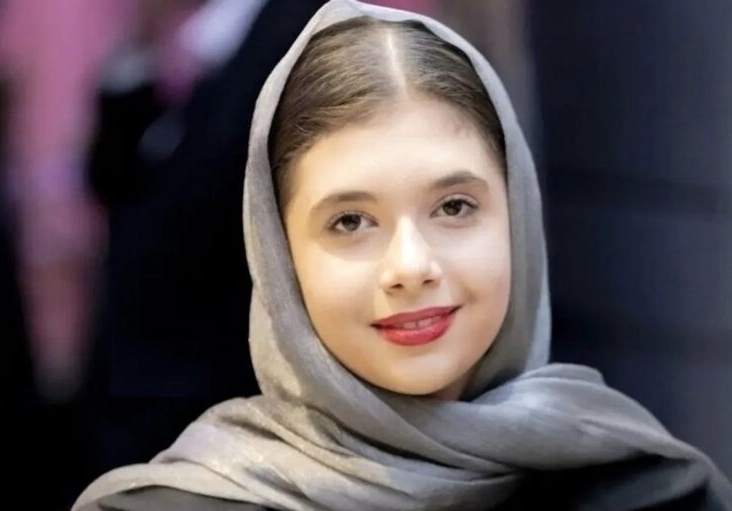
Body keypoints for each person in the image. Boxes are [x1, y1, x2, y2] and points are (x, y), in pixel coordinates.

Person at [73, 1, 732, 509]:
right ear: (279, 256)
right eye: (350, 221)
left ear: (517, 214)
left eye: (454, 207)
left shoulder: (650, 488)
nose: (411, 266)